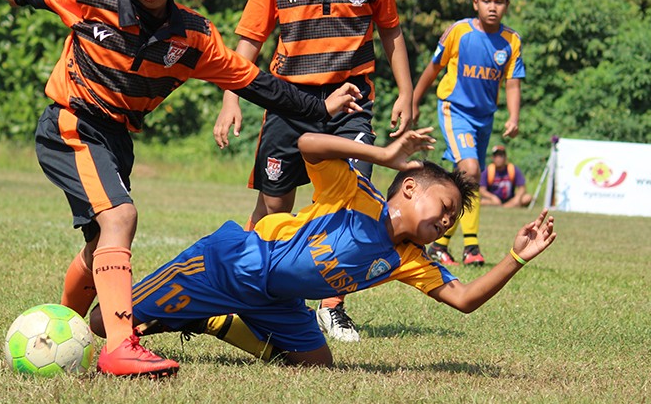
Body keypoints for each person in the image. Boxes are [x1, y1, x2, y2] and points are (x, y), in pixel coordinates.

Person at [1, 0, 363, 378]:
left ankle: (72, 330)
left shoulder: (193, 39)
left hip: (116, 138)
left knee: (98, 247)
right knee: (121, 217)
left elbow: (258, 84)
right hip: (72, 121)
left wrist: (319, 107)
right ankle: (120, 347)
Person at [88, 128, 557, 367]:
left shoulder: (408, 259)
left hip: (279, 302)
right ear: (410, 187)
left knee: (316, 365)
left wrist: (516, 256)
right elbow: (308, 144)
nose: (449, 220)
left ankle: (218, 321)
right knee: (100, 323)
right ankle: (193, 312)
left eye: (454, 219)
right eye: (447, 206)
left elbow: (465, 299)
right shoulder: (355, 195)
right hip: (230, 264)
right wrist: (381, 155)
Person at [213, 0, 414, 344]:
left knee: (352, 197)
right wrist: (230, 99)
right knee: (274, 205)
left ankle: (332, 304)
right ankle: (239, 282)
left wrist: (406, 92)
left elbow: (392, 33)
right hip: (287, 104)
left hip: (349, 105)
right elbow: (248, 44)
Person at [411, 0, 525, 267]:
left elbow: (513, 83)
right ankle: (472, 247)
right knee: (471, 170)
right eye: (487, 1)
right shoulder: (459, 32)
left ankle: (439, 244)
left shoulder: (511, 41)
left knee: (462, 179)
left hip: (484, 118)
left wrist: (513, 116)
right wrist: (413, 100)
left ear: (507, 6)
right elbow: (433, 68)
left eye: (499, 2)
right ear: (476, 3)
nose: (492, 7)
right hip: (454, 110)